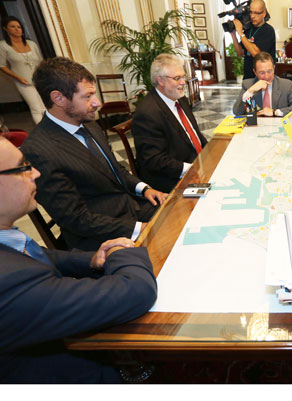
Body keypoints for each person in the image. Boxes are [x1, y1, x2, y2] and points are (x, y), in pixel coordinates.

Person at [0, 136, 157, 383]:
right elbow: (136, 291)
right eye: (22, 167)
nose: (36, 173)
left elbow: (37, 256)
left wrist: (92, 260)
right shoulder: (9, 282)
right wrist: (122, 251)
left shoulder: (7, 242)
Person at [20, 57, 168, 251]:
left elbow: (116, 170)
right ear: (58, 98)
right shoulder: (39, 150)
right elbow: (76, 219)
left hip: (131, 208)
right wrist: (139, 228)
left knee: (183, 212)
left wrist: (145, 189)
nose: (97, 103)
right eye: (87, 96)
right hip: (98, 236)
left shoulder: (90, 124)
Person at [132, 54, 207, 193]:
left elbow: (195, 134)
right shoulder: (147, 113)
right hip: (172, 179)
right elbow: (154, 160)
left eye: (183, 77)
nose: (183, 82)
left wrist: (209, 153)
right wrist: (193, 168)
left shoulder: (180, 99)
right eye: (177, 78)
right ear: (160, 80)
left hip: (197, 164)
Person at [0, 16, 45, 123]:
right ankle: (44, 134)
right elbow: (2, 66)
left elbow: (41, 62)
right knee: (36, 108)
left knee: (45, 107)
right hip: (24, 82)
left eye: (19, 27)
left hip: (39, 81)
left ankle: (52, 130)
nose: (17, 29)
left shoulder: (32, 44)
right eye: (12, 27)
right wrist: (18, 78)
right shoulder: (3, 46)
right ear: (5, 29)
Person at [232, 51, 292, 117]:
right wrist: (250, 92)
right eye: (262, 73)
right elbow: (237, 112)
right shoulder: (248, 85)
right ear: (255, 72)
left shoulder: (286, 85)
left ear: (274, 68)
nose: (266, 76)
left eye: (269, 71)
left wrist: (275, 112)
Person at [230, 0, 276, 80]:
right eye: (251, 12)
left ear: (264, 13)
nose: (252, 16)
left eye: (256, 13)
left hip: (264, 77)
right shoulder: (248, 30)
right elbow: (240, 53)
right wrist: (233, 34)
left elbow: (256, 53)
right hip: (248, 77)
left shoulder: (268, 30)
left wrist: (240, 33)